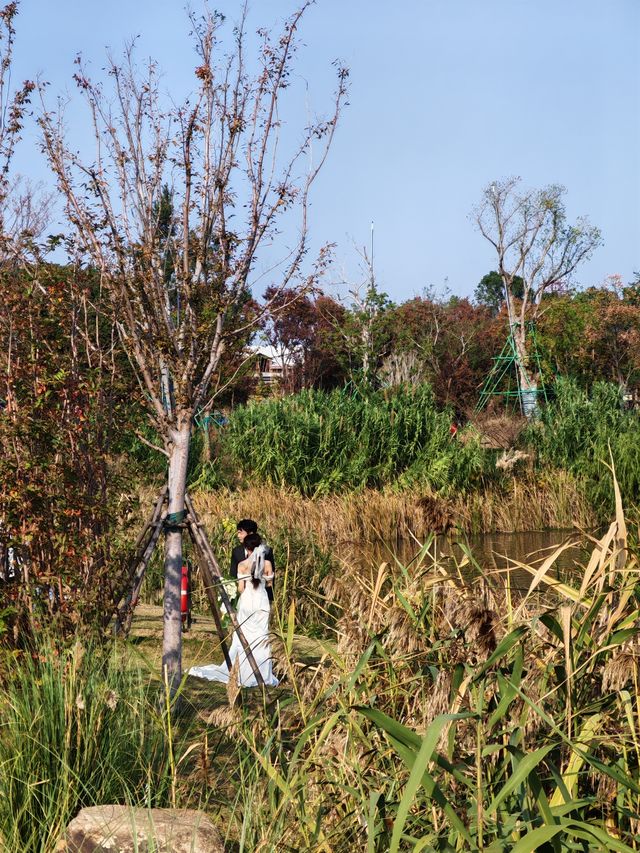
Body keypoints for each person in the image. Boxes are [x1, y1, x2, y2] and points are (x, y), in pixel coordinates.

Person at [188, 533, 278, 687]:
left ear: (247, 548)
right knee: (262, 635)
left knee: (244, 635)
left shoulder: (242, 565)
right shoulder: (268, 564)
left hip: (247, 601)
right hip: (261, 602)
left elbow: (241, 588)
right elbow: (269, 585)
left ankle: (243, 671)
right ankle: (263, 673)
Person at [231, 519, 276, 603]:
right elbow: (233, 575)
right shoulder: (236, 551)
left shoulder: (266, 551)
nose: (238, 536)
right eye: (238, 533)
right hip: (243, 598)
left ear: (250, 534)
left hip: (262, 598)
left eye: (241, 532)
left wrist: (269, 599)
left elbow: (270, 577)